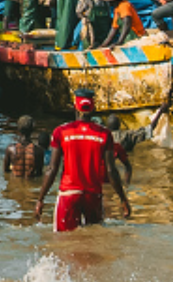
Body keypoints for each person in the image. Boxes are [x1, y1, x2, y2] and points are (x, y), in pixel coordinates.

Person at [33, 92, 130, 232]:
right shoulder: (104, 134)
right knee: (94, 240)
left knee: (63, 241)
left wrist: (40, 199)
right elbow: (111, 170)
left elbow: (52, 169)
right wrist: (123, 200)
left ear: (75, 107)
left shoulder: (61, 132)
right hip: (93, 195)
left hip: (69, 194)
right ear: (93, 107)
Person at [4, 115, 45, 180]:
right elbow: (39, 174)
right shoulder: (39, 151)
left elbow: (6, 171)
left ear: (18, 129)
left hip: (14, 186)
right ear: (32, 130)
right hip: (30, 185)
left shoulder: (10, 149)